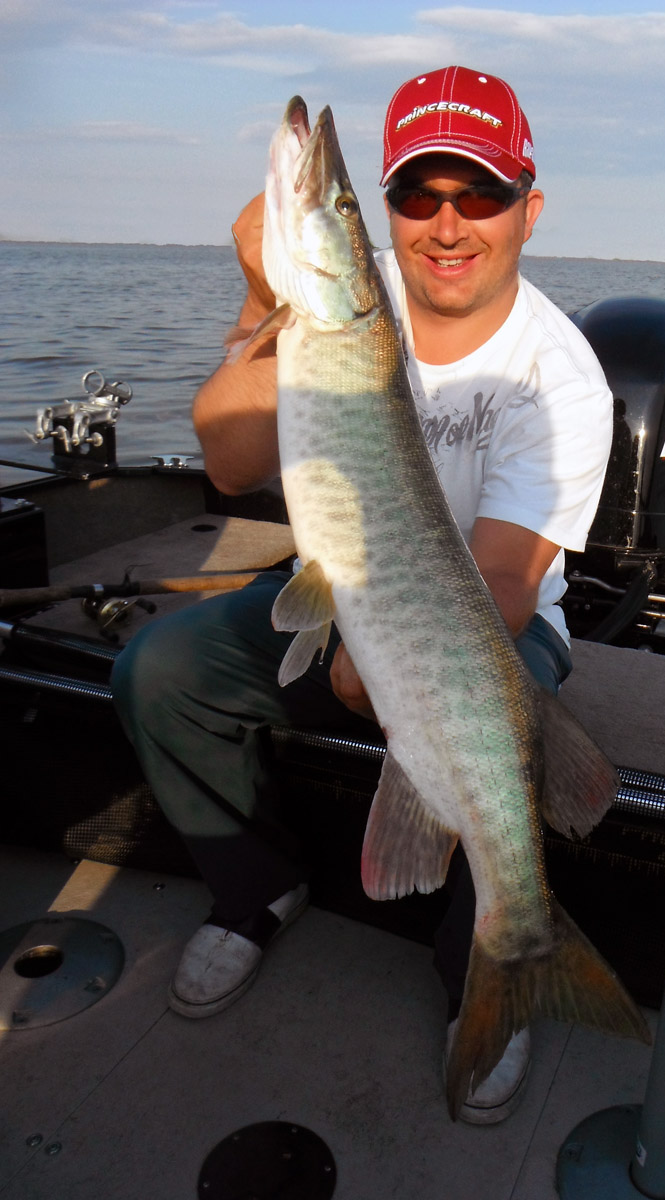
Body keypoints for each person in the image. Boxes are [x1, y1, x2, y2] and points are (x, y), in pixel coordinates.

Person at [111, 64, 614, 1125]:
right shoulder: (342, 300)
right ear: (384, 210)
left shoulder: (560, 376)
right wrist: (265, 294)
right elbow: (232, 462)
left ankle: (491, 972)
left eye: (476, 194)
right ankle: (259, 890)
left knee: (484, 756)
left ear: (529, 206)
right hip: (341, 594)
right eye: (410, 195)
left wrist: (382, 667)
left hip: (486, 627)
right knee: (158, 670)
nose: (444, 223)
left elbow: (509, 584)